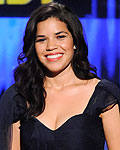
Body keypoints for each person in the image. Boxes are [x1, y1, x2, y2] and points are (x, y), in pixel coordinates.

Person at [0, 2, 120, 150]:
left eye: (60, 36)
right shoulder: (18, 97)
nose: (51, 46)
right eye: (41, 39)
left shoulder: (103, 95)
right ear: (33, 47)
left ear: (74, 41)